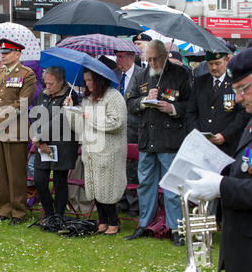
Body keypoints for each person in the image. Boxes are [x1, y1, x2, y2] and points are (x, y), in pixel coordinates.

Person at [185, 47, 252, 272]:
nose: (238, 98)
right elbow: (249, 169)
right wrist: (219, 175)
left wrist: (221, 185)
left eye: (242, 89)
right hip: (246, 250)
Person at [125, 39, 191, 246]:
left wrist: (172, 109)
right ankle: (144, 224)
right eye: (149, 59)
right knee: (145, 185)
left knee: (172, 187)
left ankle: (175, 229)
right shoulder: (141, 75)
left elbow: (190, 105)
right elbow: (130, 103)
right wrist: (144, 101)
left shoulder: (180, 75)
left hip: (170, 139)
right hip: (147, 139)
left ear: (165, 56)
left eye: (156, 59)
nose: (152, 63)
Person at [65, 68, 127, 235]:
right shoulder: (87, 100)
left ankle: (113, 222)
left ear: (100, 80)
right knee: (96, 186)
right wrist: (70, 110)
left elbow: (117, 123)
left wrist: (90, 117)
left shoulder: (114, 97)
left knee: (108, 186)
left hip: (109, 150)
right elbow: (79, 126)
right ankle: (102, 221)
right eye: (85, 81)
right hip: (91, 151)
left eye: (90, 80)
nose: (87, 84)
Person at [0, 38, 37, 225]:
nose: (3, 56)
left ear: (17, 54)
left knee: (16, 174)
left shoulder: (27, 74)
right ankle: (4, 209)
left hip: (15, 131)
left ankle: (18, 212)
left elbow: (22, 103)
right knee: (1, 173)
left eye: (7, 53)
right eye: (2, 53)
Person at [30, 66, 79, 218]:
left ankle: (58, 215)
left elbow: (62, 120)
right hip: (42, 145)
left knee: (59, 182)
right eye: (46, 83)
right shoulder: (43, 95)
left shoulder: (70, 96)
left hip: (62, 145)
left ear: (61, 82)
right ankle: (48, 214)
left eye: (51, 84)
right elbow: (34, 116)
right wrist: (39, 141)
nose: (48, 86)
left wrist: (40, 137)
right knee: (40, 180)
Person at [113, 49, 144, 216]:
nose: (117, 60)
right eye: (116, 56)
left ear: (131, 57)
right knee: (119, 165)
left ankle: (134, 204)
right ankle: (122, 201)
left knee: (133, 167)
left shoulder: (142, 74)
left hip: (134, 127)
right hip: (116, 128)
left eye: (120, 57)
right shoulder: (113, 75)